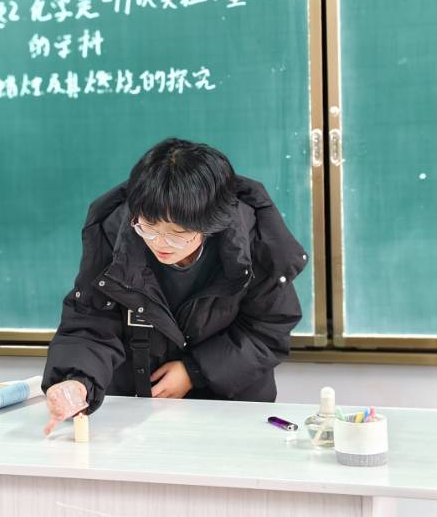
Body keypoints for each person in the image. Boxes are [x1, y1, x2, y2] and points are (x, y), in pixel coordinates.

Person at [42, 138, 307, 434]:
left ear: (212, 224)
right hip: (137, 410)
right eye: (148, 226)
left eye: (178, 233)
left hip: (231, 411)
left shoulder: (254, 243)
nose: (160, 243)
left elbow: (269, 329)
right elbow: (91, 320)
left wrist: (195, 370)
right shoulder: (115, 234)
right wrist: (78, 380)